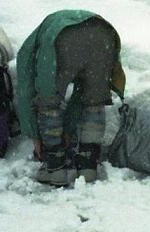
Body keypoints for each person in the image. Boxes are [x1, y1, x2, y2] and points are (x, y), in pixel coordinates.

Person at [16, 10, 126, 186]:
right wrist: (67, 130)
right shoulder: (49, 30)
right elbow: (80, 95)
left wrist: (35, 136)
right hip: (104, 33)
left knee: (48, 103)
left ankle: (55, 168)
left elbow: (26, 92)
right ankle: (88, 167)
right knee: (94, 101)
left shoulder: (27, 52)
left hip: (63, 35)